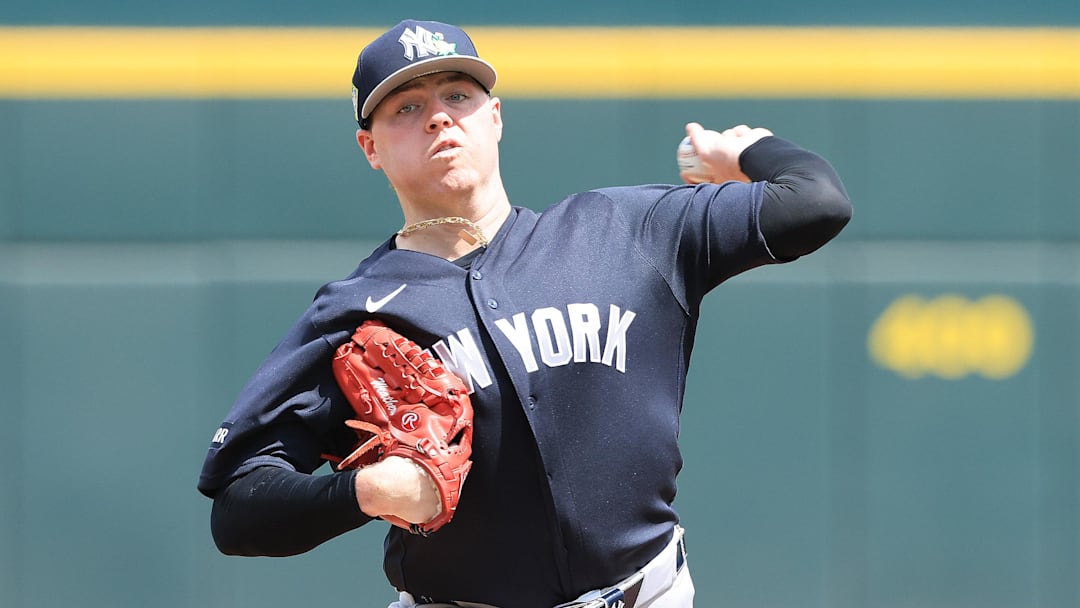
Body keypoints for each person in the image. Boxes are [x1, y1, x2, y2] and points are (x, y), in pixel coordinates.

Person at [199, 18, 852, 608]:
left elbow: (816, 204)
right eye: (407, 106)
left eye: (458, 96)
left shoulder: (625, 231)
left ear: (495, 117)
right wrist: (366, 492)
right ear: (370, 147)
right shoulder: (356, 312)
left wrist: (746, 152)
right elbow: (238, 511)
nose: (439, 118)